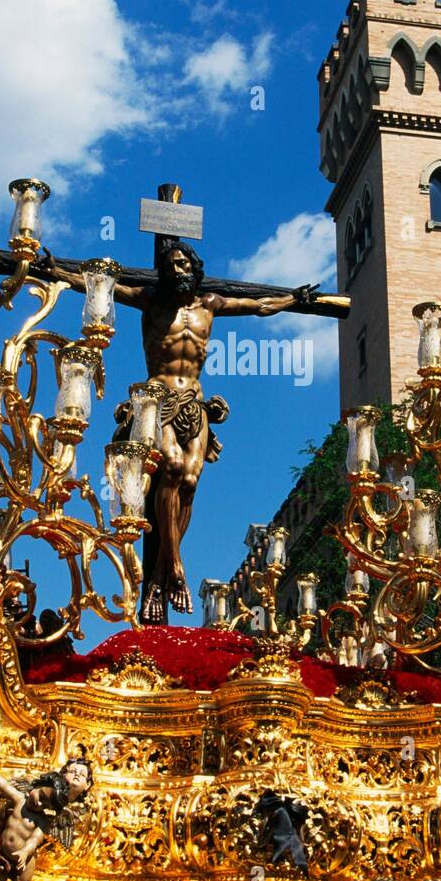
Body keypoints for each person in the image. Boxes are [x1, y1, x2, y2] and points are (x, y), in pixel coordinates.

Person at [46, 240, 314, 620]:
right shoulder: (149, 300)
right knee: (170, 467)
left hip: (195, 403)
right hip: (157, 401)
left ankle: (159, 575)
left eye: (184, 263)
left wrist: (294, 299)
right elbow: (97, 286)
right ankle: (175, 569)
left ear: (195, 267)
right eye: (171, 264)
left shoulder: (211, 305)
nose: (178, 269)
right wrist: (55, 270)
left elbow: (259, 306)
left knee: (189, 480)